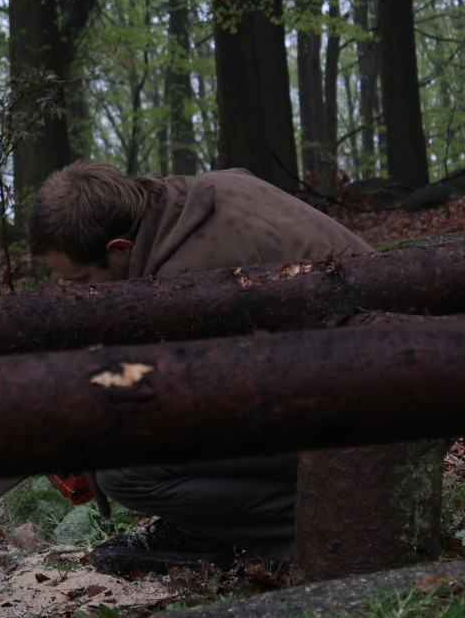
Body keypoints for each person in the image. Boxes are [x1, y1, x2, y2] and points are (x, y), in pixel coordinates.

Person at [27, 160, 374, 576]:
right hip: (380, 376)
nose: (83, 295)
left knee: (123, 471)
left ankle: (321, 535)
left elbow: (207, 402)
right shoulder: (204, 192)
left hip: (380, 418)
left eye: (84, 281)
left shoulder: (186, 283)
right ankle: (219, 524)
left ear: (119, 249)